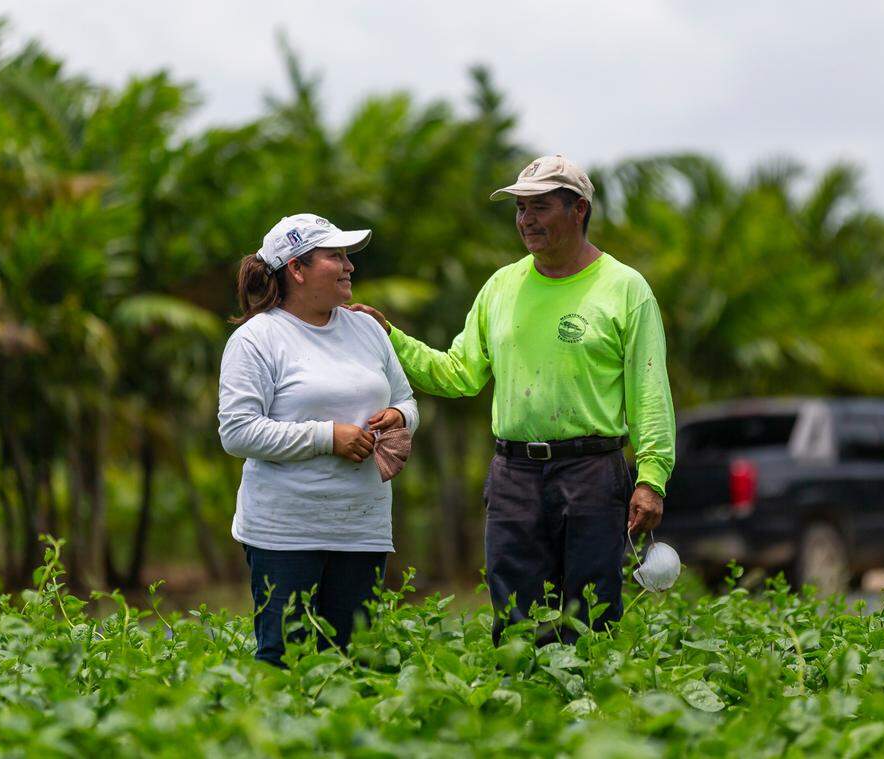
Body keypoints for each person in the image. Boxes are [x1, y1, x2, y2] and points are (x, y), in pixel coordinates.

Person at [350, 155, 675, 642]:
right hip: (514, 475)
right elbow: (458, 374)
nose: (526, 220)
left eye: (540, 207)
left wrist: (652, 477)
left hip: (591, 471)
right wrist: (390, 336)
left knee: (591, 615)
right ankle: (522, 707)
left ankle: (590, 712)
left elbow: (649, 394)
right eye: (521, 209)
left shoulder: (625, 289)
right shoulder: (502, 286)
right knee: (515, 616)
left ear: (578, 209)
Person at [218, 213, 419, 666]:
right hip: (286, 532)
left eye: (348, 257)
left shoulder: (367, 329)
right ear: (296, 268)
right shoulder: (257, 339)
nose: (349, 267)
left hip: (361, 529)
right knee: (286, 657)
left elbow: (408, 402)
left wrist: (397, 416)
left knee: (356, 659)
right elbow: (237, 431)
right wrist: (327, 438)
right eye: (336, 257)